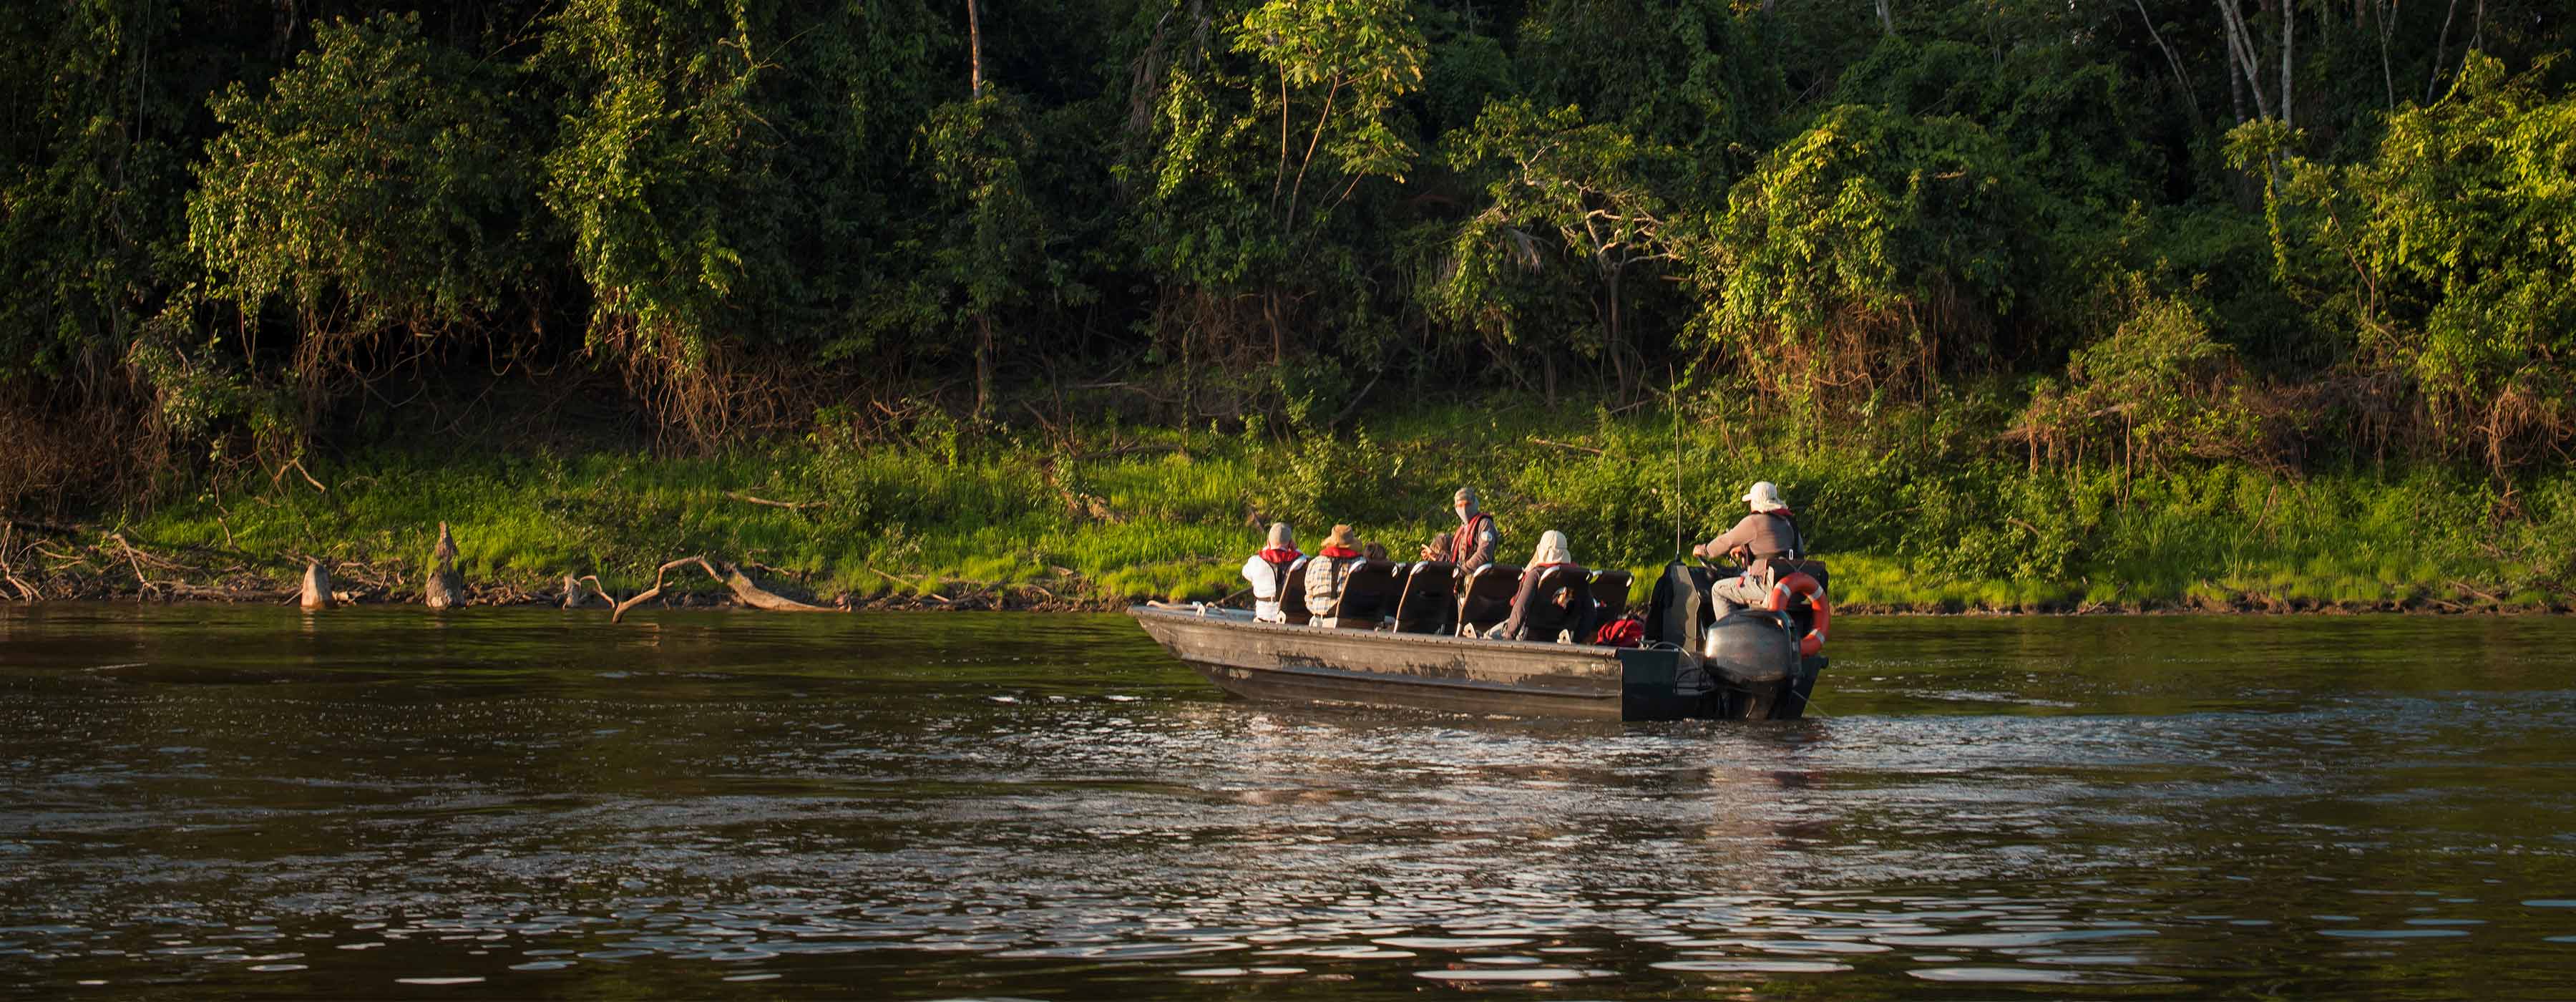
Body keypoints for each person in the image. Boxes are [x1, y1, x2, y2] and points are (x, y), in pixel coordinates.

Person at [1692, 481, 1805, 613]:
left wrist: (1704, 550)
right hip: (1792, 589)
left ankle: (1729, 632)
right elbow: (1789, 550)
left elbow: (1726, 541)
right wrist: (1744, 549)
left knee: (1719, 590)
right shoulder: (1788, 522)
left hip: (1765, 587)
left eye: (1751, 501)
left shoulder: (1754, 522)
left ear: (1756, 502)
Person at [1494, 530, 1594, 642]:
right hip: (1562, 637)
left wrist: (1509, 637)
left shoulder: (1536, 575)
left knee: (1489, 635)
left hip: (1529, 635)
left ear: (1542, 550)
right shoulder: (1579, 576)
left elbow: (1520, 609)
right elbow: (1590, 613)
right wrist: (1576, 639)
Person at [1419, 487, 1501, 570]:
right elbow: (1456, 561)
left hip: (1479, 578)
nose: (1464, 510)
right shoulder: (1463, 530)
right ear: (1456, 508)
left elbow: (1484, 555)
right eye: (1460, 506)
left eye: (1468, 504)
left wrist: (1462, 570)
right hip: (1463, 577)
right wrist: (1436, 556)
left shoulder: (1484, 524)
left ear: (1475, 504)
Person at [1304, 524, 1369, 623]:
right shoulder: (1360, 564)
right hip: (1348, 617)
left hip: (1319, 617)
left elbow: (1309, 597)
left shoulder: (1314, 563)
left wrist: (1318, 610)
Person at [1239, 522, 1303, 623]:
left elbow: (1245, 573)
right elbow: (1306, 558)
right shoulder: (1301, 562)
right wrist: (1296, 549)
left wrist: (1266, 549)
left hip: (1263, 617)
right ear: (1291, 543)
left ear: (1268, 542)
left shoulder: (1255, 562)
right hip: (1288, 618)